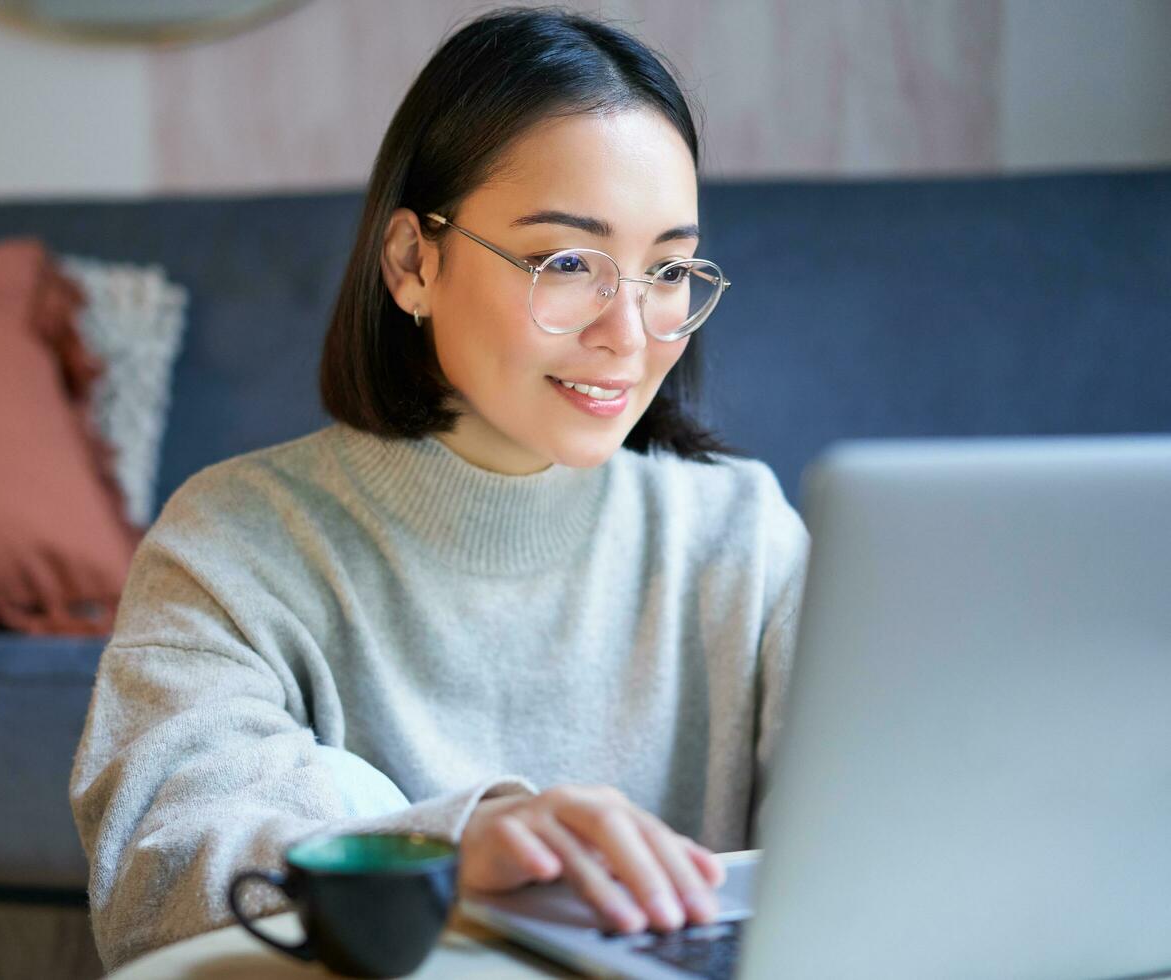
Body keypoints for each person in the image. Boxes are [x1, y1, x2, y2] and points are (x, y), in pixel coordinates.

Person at [69, 5, 810, 971]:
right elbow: (159, 870)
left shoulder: (742, 534)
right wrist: (458, 845)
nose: (630, 336)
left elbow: (889, 824)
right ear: (415, 263)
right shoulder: (231, 543)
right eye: (569, 262)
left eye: (666, 269)